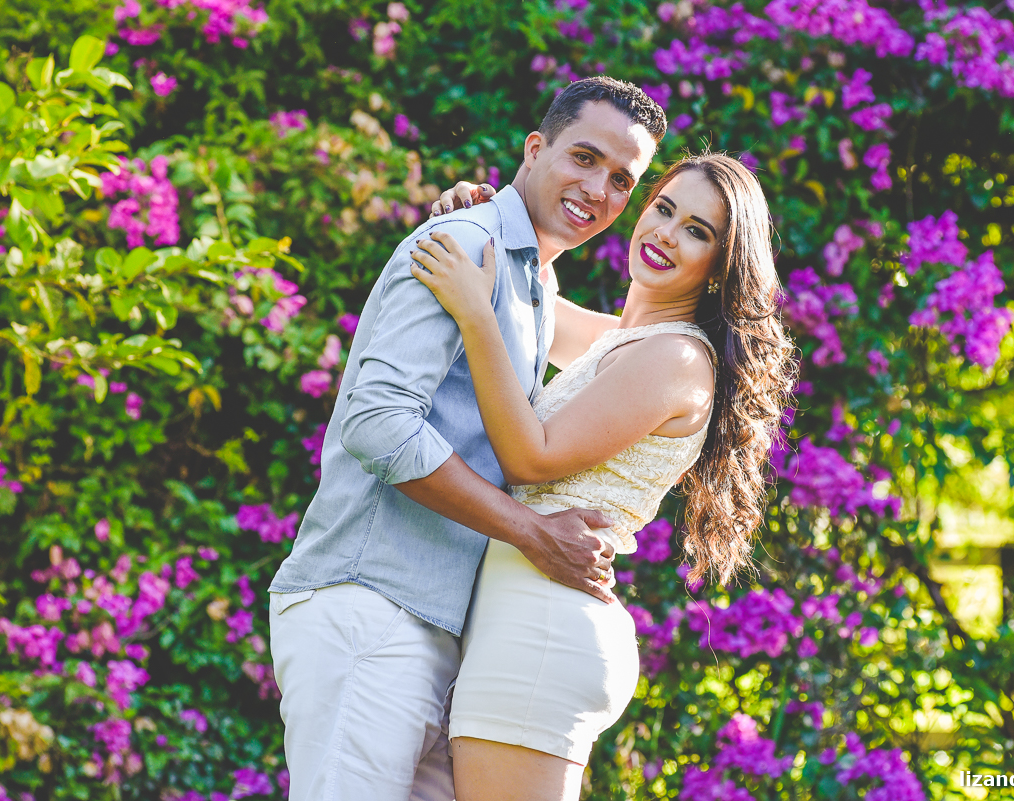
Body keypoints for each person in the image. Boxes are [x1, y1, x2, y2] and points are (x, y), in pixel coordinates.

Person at [266, 77, 666, 801]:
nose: (597, 188)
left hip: (441, 636)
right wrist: (532, 531)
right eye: (583, 157)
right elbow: (377, 423)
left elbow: (650, 351)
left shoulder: (531, 279)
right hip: (371, 609)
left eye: (620, 180)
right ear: (535, 148)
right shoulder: (464, 243)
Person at [414, 152, 797, 801]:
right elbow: (528, 301)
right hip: (522, 615)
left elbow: (530, 456)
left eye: (698, 231)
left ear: (717, 270)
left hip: (540, 626)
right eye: (665, 208)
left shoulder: (676, 357)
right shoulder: (622, 340)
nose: (667, 234)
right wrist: (479, 215)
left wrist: (477, 315)